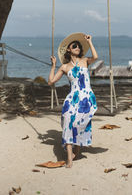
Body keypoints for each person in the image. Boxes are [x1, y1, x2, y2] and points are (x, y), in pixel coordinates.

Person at [48, 32, 98, 168]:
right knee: (68, 122)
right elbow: (51, 81)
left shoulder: (85, 61)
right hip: (72, 99)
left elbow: (96, 57)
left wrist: (89, 42)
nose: (77, 47)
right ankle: (69, 157)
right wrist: (53, 66)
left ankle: (77, 149)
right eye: (74, 46)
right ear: (68, 50)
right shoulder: (64, 67)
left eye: (78, 46)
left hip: (86, 98)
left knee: (80, 124)